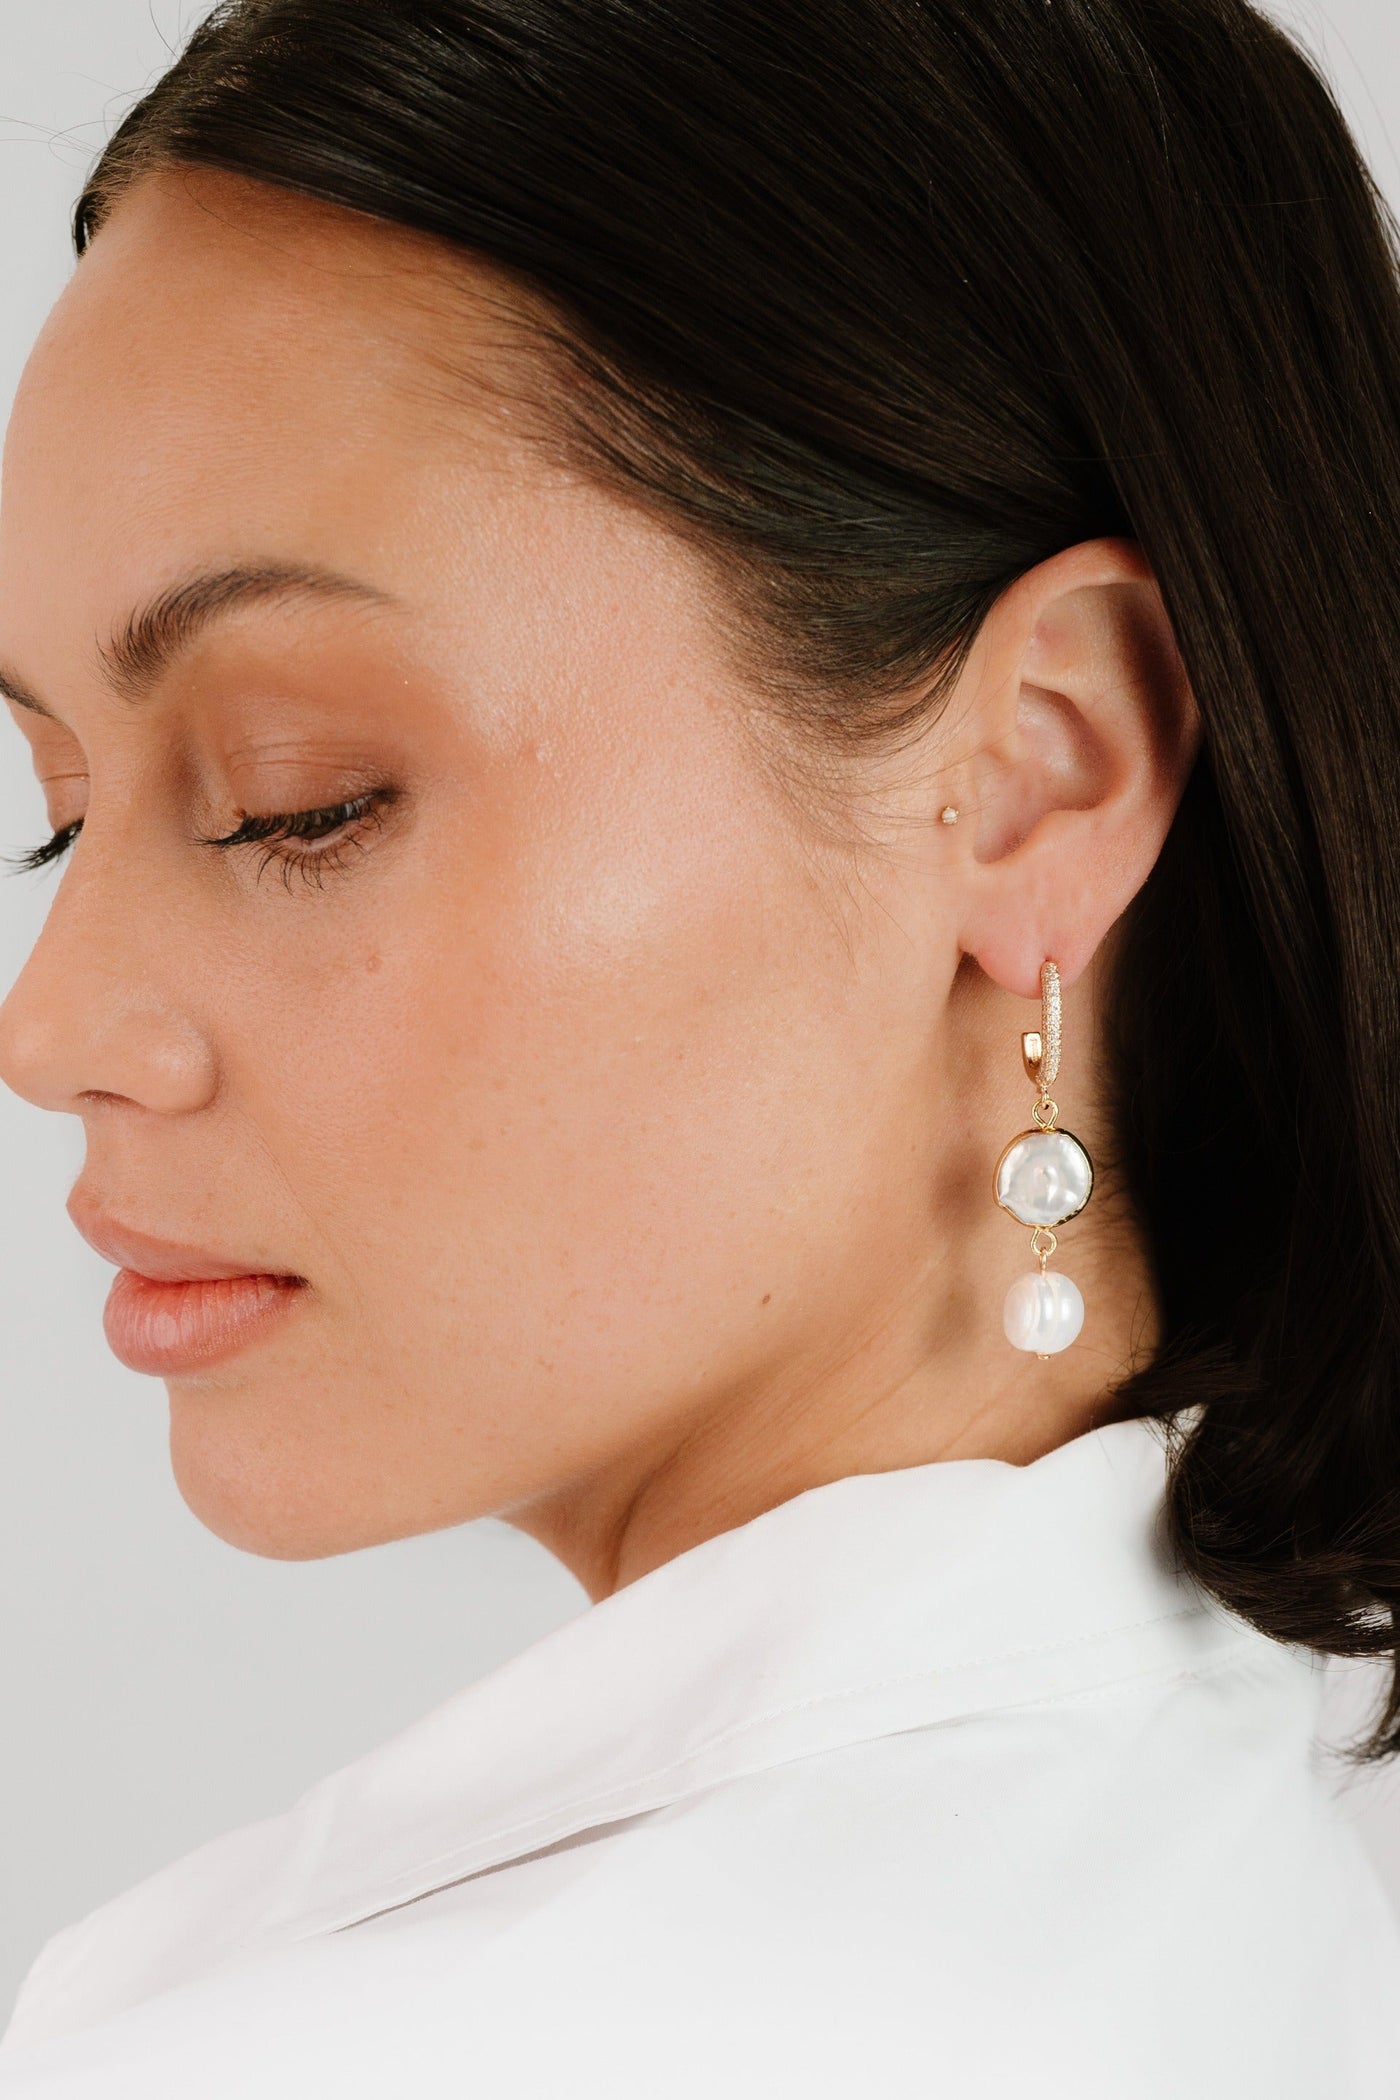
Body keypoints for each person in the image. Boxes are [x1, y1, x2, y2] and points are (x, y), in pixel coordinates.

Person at [2, 0, 1400, 2091]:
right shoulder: (1277, 1866)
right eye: (53, 805)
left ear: (1038, 773)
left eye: (299, 798)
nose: (52, 1032)